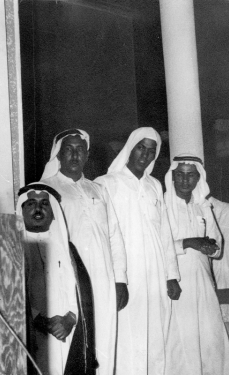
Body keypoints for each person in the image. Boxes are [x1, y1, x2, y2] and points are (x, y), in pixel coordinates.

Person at [40, 128, 127, 375]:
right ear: (58, 154)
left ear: (87, 155)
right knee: (72, 348)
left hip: (104, 279)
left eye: (80, 150)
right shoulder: (46, 189)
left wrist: (120, 280)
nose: (75, 155)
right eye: (69, 149)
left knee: (104, 342)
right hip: (71, 283)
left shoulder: (98, 190)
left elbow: (114, 235)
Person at [95, 127, 181, 375]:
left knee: (156, 336)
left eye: (151, 151)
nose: (145, 154)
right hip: (126, 273)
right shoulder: (106, 183)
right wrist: (118, 280)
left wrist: (171, 274)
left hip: (154, 273)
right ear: (130, 149)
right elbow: (107, 234)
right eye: (140, 148)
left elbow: (164, 232)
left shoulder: (155, 185)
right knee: (127, 336)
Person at [163, 154, 229, 375]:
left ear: (198, 178)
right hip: (176, 283)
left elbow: (218, 245)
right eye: (180, 175)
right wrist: (189, 242)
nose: (185, 181)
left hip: (203, 282)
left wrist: (210, 246)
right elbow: (158, 245)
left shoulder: (203, 206)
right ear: (173, 176)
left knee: (209, 338)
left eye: (191, 175)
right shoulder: (162, 204)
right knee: (179, 341)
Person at [17, 183, 97, 375]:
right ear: (21, 211)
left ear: (54, 212)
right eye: (30, 204)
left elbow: (81, 296)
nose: (38, 209)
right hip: (29, 335)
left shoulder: (68, 250)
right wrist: (39, 320)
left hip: (66, 335)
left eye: (45, 203)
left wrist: (70, 319)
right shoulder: (10, 248)